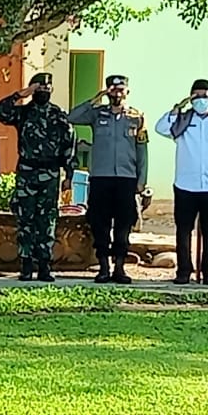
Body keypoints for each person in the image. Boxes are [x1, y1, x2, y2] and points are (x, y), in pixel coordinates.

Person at [0, 73, 76, 282]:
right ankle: (26, 265)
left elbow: (69, 145)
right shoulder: (23, 113)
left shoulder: (58, 115)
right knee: (25, 219)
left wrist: (69, 176)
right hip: (27, 173)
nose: (43, 92)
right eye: (39, 89)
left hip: (50, 174)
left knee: (47, 220)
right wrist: (20, 94)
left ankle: (45, 266)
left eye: (47, 89)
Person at [68, 75, 150, 284]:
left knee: (124, 226)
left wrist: (142, 179)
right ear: (107, 92)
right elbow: (72, 117)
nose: (117, 94)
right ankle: (103, 267)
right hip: (101, 178)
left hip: (126, 178)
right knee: (100, 224)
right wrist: (95, 99)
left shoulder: (136, 117)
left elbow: (142, 150)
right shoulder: (97, 114)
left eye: (120, 90)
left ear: (127, 92)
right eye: (112, 90)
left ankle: (120, 268)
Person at [158, 79, 208, 285]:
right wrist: (176, 109)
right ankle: (184, 272)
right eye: (197, 96)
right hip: (185, 185)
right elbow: (160, 128)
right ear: (191, 98)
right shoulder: (182, 120)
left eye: (205, 96)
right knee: (184, 231)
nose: (201, 100)